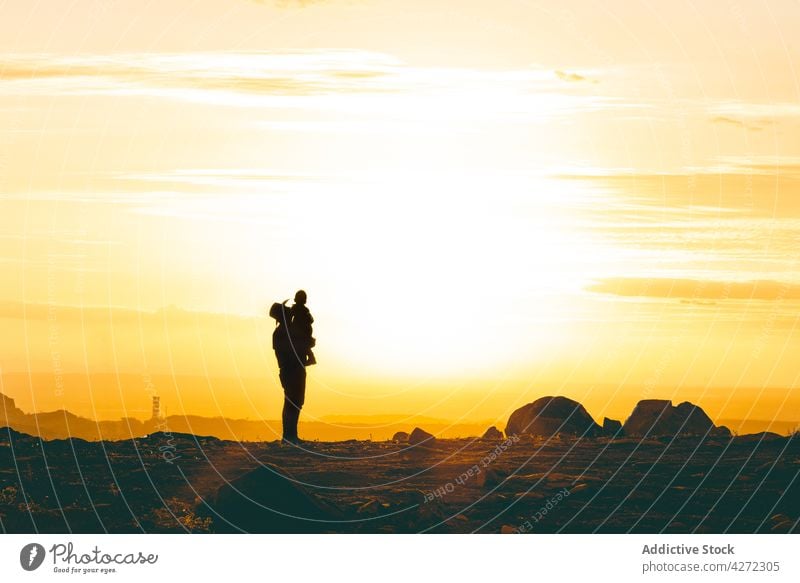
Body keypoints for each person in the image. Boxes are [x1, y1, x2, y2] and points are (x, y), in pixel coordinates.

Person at [269, 290, 315, 444]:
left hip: (294, 369)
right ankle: (288, 436)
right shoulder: (281, 333)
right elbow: (290, 351)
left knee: (296, 401)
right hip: (291, 370)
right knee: (292, 401)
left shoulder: (286, 331)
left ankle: (291, 435)